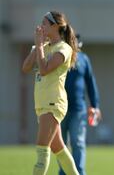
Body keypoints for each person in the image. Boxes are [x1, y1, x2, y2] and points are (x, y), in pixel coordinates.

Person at [22, 11, 80, 175]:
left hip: (53, 103)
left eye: (45, 23)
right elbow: (25, 68)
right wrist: (37, 47)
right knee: (59, 149)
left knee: (42, 151)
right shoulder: (43, 47)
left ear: (55, 26)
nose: (41, 27)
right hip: (42, 104)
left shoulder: (63, 48)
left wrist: (39, 47)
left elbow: (45, 70)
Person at [59, 35, 101, 175]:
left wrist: (95, 105)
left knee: (78, 142)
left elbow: (91, 83)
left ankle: (79, 172)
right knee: (61, 144)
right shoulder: (58, 56)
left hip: (79, 109)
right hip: (59, 108)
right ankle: (63, 172)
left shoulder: (83, 59)